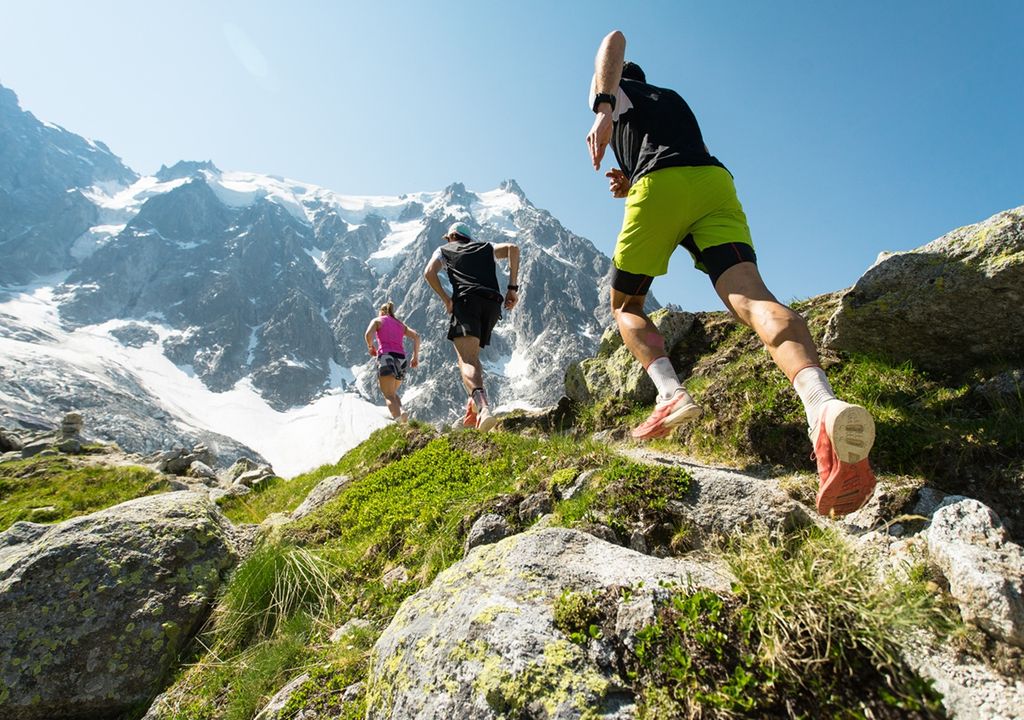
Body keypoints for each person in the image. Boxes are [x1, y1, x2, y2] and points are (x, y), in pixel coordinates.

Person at [585, 30, 876, 516]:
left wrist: (601, 105)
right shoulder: (669, 98)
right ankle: (822, 405)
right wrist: (631, 178)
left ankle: (670, 394)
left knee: (626, 305)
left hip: (661, 187)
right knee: (753, 298)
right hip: (712, 184)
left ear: (617, 82)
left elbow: (611, 40)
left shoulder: (615, 91)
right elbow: (668, 153)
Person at [423, 221, 520, 432]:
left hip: (467, 302)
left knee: (466, 359)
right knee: (473, 357)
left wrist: (446, 300)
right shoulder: (485, 247)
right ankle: (472, 407)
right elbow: (513, 248)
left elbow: (429, 273)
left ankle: (484, 409)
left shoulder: (444, 250)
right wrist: (512, 288)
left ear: (451, 237)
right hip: (493, 304)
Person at [364, 301, 420, 422]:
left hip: (386, 356)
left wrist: (370, 346)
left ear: (381, 311)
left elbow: (368, 334)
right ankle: (402, 412)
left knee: (388, 395)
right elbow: (416, 336)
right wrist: (415, 357)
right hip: (401, 359)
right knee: (392, 392)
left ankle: (398, 421)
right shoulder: (400, 324)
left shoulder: (378, 321)